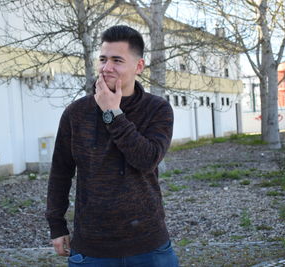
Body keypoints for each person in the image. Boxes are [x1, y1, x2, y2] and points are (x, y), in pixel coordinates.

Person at [46, 25, 178, 267]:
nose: (107, 68)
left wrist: (112, 113)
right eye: (103, 59)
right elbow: (60, 172)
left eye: (117, 60)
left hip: (149, 246)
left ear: (139, 66)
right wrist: (56, 225)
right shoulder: (76, 113)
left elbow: (146, 159)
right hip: (92, 248)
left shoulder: (157, 109)